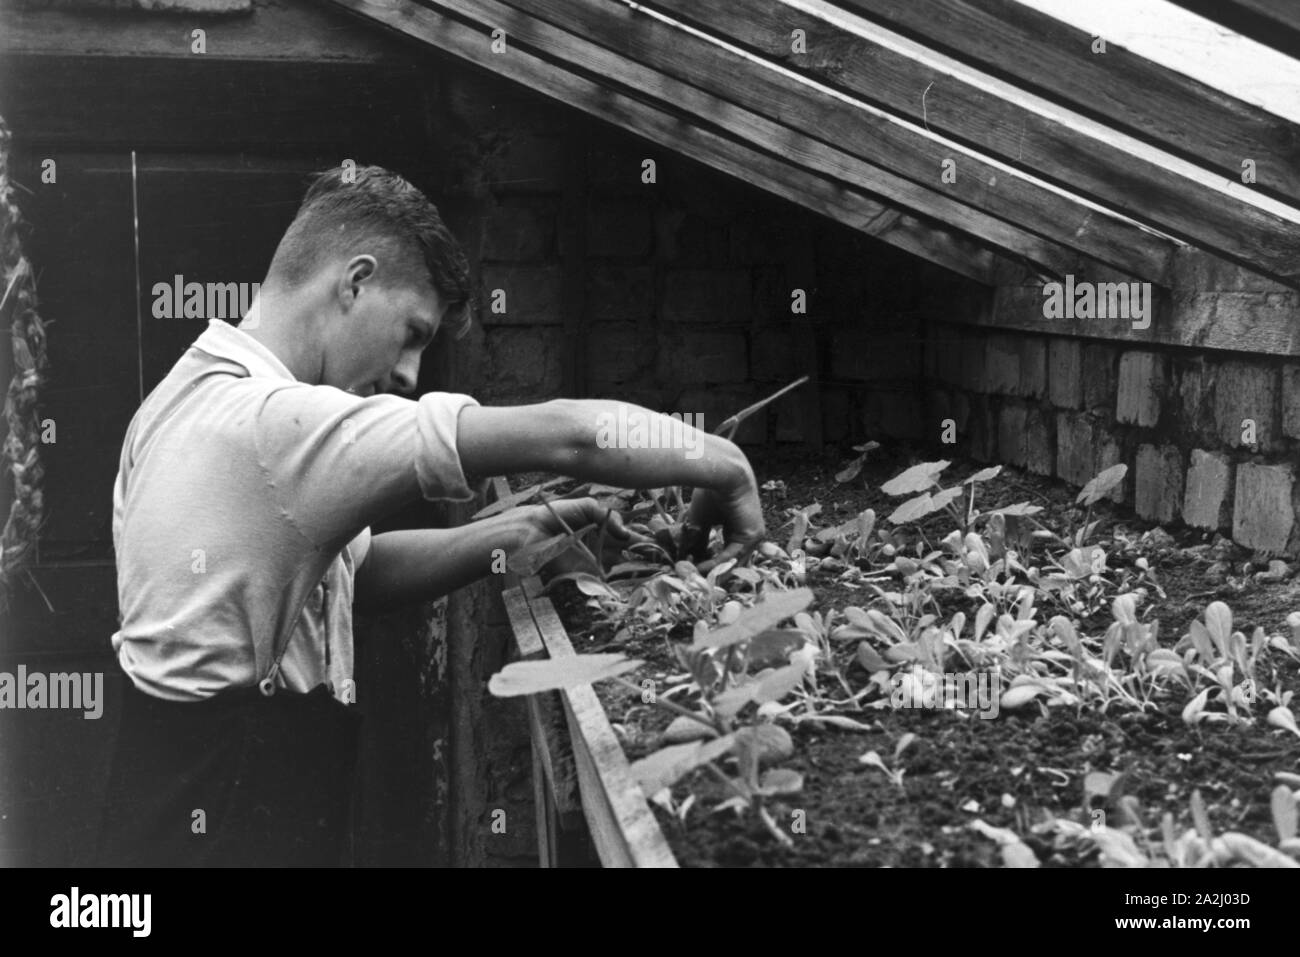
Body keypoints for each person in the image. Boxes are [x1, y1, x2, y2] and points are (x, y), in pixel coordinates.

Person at [94, 165, 765, 867]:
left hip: (169, 802)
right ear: (354, 281)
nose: (411, 372)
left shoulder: (182, 397)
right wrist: (721, 461)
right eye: (413, 331)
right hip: (223, 817)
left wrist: (513, 533)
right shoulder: (274, 424)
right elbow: (572, 434)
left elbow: (348, 575)